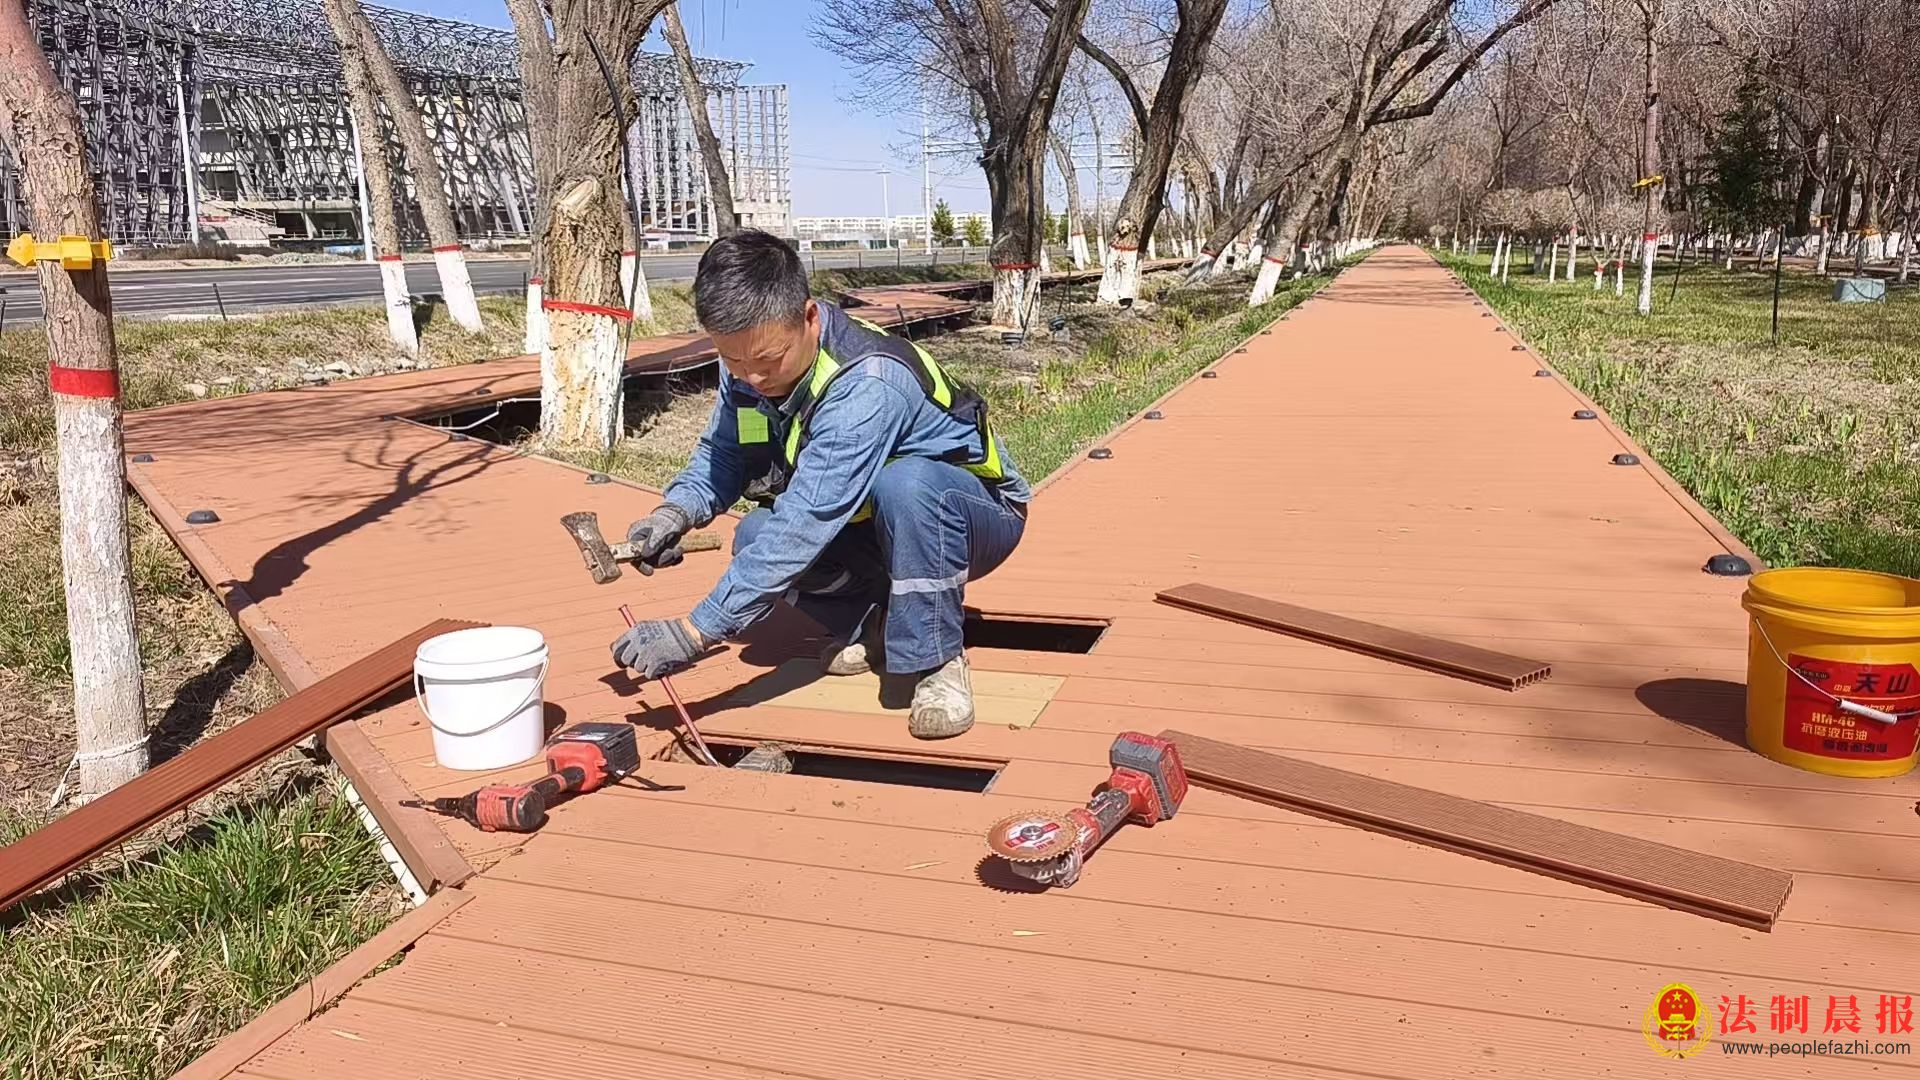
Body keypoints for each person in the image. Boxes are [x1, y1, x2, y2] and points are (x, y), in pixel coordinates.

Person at [609, 230, 1031, 739]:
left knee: (907, 484)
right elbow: (725, 455)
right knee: (754, 536)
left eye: (767, 362)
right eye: (733, 362)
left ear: (809, 317)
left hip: (975, 515)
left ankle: (937, 659)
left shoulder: (867, 383)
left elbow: (805, 523)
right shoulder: (746, 358)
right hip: (878, 524)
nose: (751, 378)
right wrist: (673, 514)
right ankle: (875, 623)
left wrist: (695, 631)